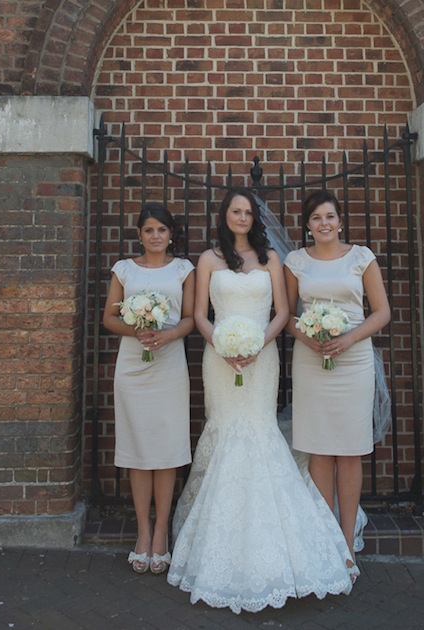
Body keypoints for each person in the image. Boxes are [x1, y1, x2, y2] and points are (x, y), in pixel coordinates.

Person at [167, 189, 357, 614]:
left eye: (248, 212)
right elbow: (198, 314)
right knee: (224, 431)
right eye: (235, 211)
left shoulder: (271, 259)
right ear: (225, 216)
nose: (242, 217)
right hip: (219, 359)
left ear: (255, 218)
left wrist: (257, 345)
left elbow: (283, 312)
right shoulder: (208, 259)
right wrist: (222, 345)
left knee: (258, 431)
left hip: (262, 358)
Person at [284, 189, 391, 567]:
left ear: (340, 221)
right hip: (312, 359)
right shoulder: (296, 261)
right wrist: (309, 337)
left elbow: (381, 312)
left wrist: (348, 339)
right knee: (318, 448)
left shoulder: (361, 257)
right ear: (307, 225)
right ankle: (324, 538)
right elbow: (288, 315)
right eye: (316, 218)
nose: (324, 223)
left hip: (354, 360)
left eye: (329, 216)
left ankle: (346, 543)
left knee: (348, 449)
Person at [102, 202, 195, 575]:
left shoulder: (183, 269)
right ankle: (142, 531)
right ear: (139, 235)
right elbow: (109, 317)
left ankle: (161, 532)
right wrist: (136, 330)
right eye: (149, 230)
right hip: (132, 367)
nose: (155, 236)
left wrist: (166, 335)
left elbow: (189, 318)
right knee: (138, 448)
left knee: (167, 449)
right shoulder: (124, 269)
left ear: (171, 235)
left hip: (169, 366)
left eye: (162, 230)